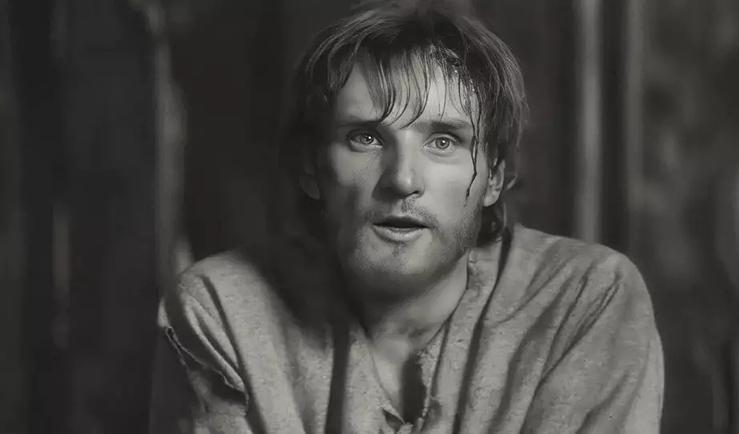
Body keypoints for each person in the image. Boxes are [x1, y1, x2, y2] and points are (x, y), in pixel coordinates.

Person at [149, 2, 664, 432]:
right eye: (366, 137)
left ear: (494, 178)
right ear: (311, 168)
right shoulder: (224, 312)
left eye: (443, 141)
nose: (402, 179)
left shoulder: (583, 299)